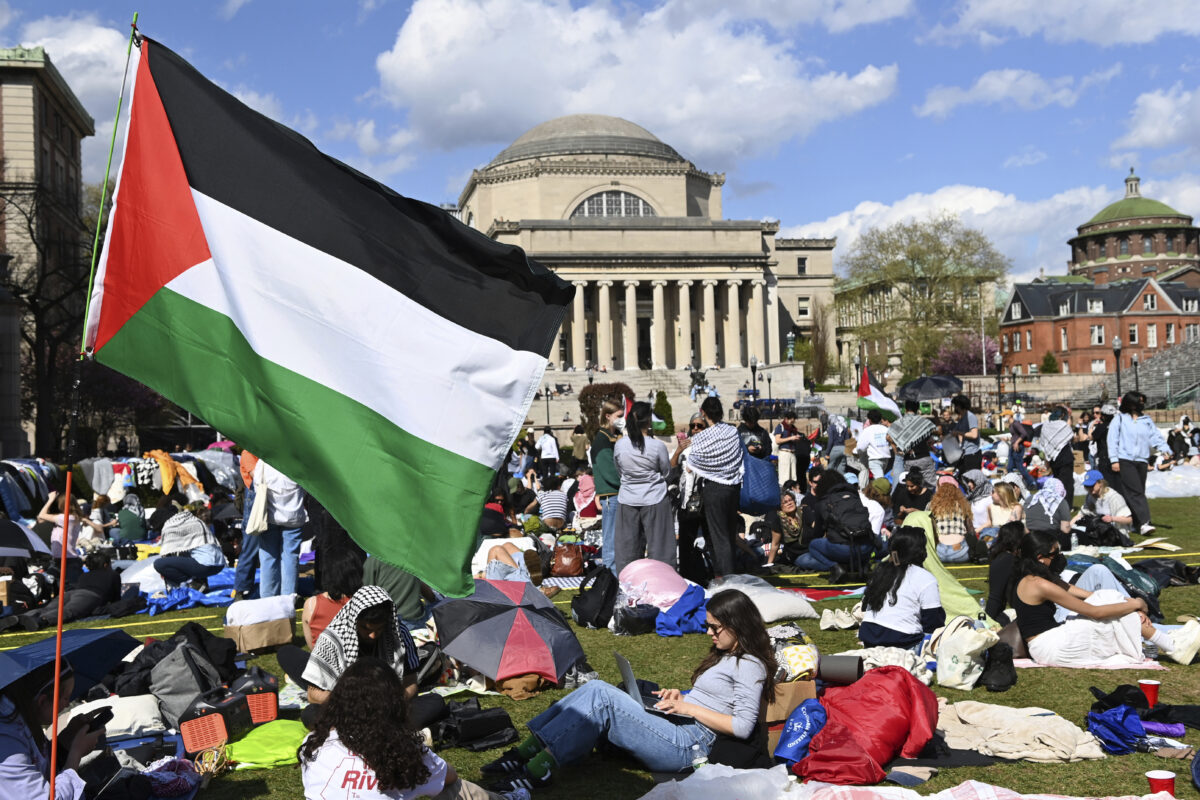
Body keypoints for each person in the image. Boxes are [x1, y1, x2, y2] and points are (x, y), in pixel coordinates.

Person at [484, 590, 776, 792]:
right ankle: (525, 753)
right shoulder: (727, 654)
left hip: (691, 745)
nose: (709, 633)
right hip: (681, 726)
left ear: (737, 625)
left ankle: (537, 770)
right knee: (596, 689)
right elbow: (717, 701)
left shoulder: (750, 664)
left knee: (601, 695)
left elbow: (741, 725)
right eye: (708, 625)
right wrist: (681, 698)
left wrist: (689, 708)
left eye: (715, 627)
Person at [300, 658, 526, 800]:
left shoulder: (314, 742)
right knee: (451, 789)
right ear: (394, 704)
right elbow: (449, 777)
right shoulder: (401, 749)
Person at [1012, 532, 1200, 667]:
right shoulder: (1039, 584)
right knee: (1111, 614)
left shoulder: (1035, 577)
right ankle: (1172, 646)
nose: (1060, 557)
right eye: (1055, 554)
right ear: (1040, 558)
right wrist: (1135, 604)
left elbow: (1073, 590)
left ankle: (1170, 642)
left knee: (1108, 599)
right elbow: (1095, 612)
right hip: (1050, 647)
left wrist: (1119, 602)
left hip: (1052, 640)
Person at [278, 586, 442, 730]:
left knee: (435, 702)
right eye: (365, 628)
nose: (372, 635)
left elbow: (411, 682)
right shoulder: (332, 639)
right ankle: (385, 729)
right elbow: (313, 694)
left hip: (387, 707)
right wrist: (353, 706)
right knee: (311, 713)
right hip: (345, 707)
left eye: (378, 629)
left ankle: (365, 730)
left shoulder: (399, 635)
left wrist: (391, 702)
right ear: (354, 621)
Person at [0, 659, 102, 799]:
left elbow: (37, 766)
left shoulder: (23, 718)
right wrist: (75, 754)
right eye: (66, 698)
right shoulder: (6, 740)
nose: (67, 705)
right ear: (42, 701)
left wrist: (63, 744)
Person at [678, 397, 744, 578]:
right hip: (733, 487)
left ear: (704, 413)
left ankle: (726, 579)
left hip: (715, 490)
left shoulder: (701, 439)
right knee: (729, 535)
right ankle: (728, 576)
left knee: (719, 538)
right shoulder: (732, 431)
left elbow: (690, 464)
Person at [613, 402, 674, 575]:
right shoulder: (657, 446)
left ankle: (627, 584)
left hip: (628, 498)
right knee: (661, 548)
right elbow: (666, 471)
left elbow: (619, 470)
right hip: (654, 498)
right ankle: (664, 581)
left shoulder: (620, 445)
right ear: (648, 421)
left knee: (627, 550)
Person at [859, 527, 945, 650]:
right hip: (904, 642)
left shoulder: (880, 571)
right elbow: (933, 622)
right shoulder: (925, 578)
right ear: (920, 552)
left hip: (870, 639)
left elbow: (865, 607)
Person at [0, 552, 121, 633]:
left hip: (70, 593)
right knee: (68, 611)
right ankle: (42, 620)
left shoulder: (85, 575)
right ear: (106, 564)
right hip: (89, 596)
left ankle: (18, 618)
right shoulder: (113, 574)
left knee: (46, 608)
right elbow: (116, 599)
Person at [1107, 392, 1173, 534]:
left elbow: (1155, 437)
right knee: (1136, 492)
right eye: (1139, 401)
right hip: (1125, 460)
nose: (1142, 404)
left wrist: (1164, 449)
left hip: (1142, 460)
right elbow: (1112, 440)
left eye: (1143, 401)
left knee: (1137, 492)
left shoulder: (1146, 420)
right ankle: (1144, 523)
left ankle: (1134, 523)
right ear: (1131, 403)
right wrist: (1114, 460)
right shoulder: (1119, 419)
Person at [792, 470, 873, 580]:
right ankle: (859, 565)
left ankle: (835, 567)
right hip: (866, 547)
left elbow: (817, 533)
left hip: (843, 548)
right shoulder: (854, 496)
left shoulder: (822, 502)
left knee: (813, 545)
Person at [255, 459, 309, 597]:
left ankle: (267, 598)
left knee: (268, 557)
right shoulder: (296, 461)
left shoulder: (264, 461)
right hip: (294, 515)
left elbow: (257, 484)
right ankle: (288, 598)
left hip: (269, 515)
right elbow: (306, 486)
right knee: (290, 558)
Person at [38, 491, 105, 587]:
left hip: (67, 561)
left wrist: (50, 500)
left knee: (70, 589)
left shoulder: (66, 518)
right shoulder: (70, 518)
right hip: (61, 560)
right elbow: (40, 520)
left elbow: (41, 515)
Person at [153, 502, 227, 590]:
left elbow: (166, 553)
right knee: (189, 554)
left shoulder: (170, 524)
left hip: (205, 565)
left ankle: (190, 584)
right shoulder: (191, 519)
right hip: (219, 564)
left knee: (159, 564)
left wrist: (166, 573)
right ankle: (201, 584)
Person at [302, 549, 364, 648]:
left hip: (321, 660)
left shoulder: (311, 604)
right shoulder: (364, 601)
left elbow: (311, 645)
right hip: (358, 659)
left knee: (287, 652)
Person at [590, 399, 624, 571]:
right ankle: (611, 577)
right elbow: (609, 472)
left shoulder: (611, 437)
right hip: (611, 495)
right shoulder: (602, 440)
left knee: (616, 539)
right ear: (608, 416)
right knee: (611, 541)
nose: (622, 418)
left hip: (615, 495)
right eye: (619, 415)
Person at [984, 522, 1026, 626]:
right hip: (1009, 616)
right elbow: (995, 598)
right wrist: (987, 624)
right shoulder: (1006, 560)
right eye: (1025, 534)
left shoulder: (1010, 558)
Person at [928, 477, 977, 564]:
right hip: (961, 553)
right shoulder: (964, 505)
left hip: (938, 553)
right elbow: (971, 530)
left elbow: (928, 528)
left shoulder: (932, 505)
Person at [1072, 470, 1133, 538]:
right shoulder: (1090, 496)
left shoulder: (1114, 497)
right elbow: (1081, 514)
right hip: (1098, 530)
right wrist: (1068, 526)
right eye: (1087, 486)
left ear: (1100, 483)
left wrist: (1112, 518)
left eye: (1091, 485)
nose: (1089, 488)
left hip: (1116, 533)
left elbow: (1129, 520)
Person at [1036, 405, 1076, 493]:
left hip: (1054, 459)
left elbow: (1044, 444)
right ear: (1062, 415)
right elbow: (1071, 436)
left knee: (1057, 483)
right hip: (1065, 457)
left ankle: (1058, 503)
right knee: (1067, 483)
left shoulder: (1046, 425)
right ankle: (1067, 505)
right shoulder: (1063, 425)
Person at [763, 490, 807, 567]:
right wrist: (769, 564)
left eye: (791, 500)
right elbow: (775, 544)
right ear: (780, 506)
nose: (789, 503)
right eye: (785, 502)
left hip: (811, 549)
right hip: (795, 555)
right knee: (810, 561)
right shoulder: (778, 520)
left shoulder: (804, 513)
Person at [1023, 477, 1072, 546]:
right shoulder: (1061, 501)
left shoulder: (1030, 499)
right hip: (1051, 538)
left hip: (1030, 537)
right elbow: (1065, 529)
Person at [773, 411, 807, 489]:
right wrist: (790, 438)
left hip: (793, 453)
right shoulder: (780, 427)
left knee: (793, 476)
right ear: (786, 419)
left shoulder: (793, 429)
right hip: (784, 453)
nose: (793, 422)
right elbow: (778, 440)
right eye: (791, 420)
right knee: (785, 476)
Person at [856, 410, 892, 480]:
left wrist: (860, 453)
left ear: (869, 420)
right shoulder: (886, 429)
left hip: (874, 459)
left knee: (880, 481)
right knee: (881, 478)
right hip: (886, 458)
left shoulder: (868, 430)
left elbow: (860, 447)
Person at [950, 395, 982, 473]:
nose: (955, 408)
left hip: (972, 454)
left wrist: (958, 433)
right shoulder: (962, 418)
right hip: (965, 452)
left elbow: (974, 435)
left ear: (960, 406)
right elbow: (955, 431)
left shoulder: (970, 417)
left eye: (956, 405)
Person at [961, 469, 993, 539]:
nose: (969, 484)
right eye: (968, 481)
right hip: (972, 534)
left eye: (972, 481)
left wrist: (976, 532)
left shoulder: (989, 499)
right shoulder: (971, 497)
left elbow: (991, 521)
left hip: (985, 535)